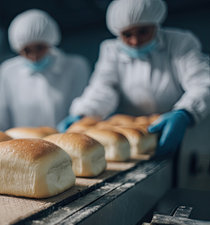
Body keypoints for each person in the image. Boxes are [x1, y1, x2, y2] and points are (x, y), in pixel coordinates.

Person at [58, 0, 210, 156]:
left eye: (143, 32)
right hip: (135, 140)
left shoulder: (180, 43)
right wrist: (84, 113)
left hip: (182, 130)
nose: (135, 41)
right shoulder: (111, 50)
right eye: (127, 34)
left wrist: (186, 113)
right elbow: (103, 88)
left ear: (155, 24)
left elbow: (202, 82)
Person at [0, 9, 90, 131]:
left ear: (51, 41)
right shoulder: (8, 71)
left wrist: (80, 118)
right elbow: (1, 121)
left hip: (64, 147)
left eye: (40, 47)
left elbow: (85, 111)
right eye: (27, 50)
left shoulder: (75, 66)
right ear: (17, 49)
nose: (34, 56)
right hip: (24, 151)